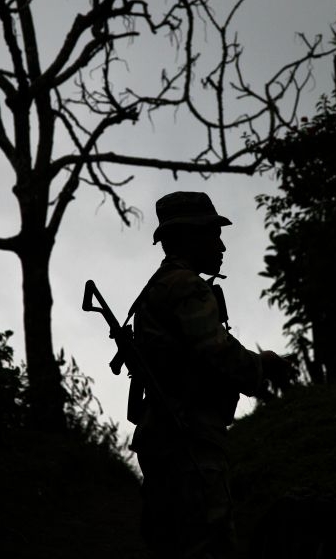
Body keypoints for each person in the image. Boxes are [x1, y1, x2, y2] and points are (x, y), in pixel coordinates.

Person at [128, 190, 297, 559]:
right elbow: (215, 352)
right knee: (209, 544)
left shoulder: (154, 291)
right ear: (188, 237)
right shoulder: (187, 286)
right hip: (190, 438)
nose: (221, 245)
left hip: (162, 437)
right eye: (211, 234)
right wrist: (262, 365)